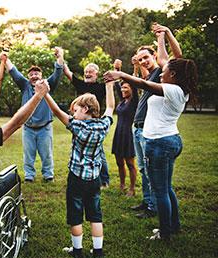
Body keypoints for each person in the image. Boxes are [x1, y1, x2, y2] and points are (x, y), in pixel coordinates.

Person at [43, 77, 115, 258]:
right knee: (95, 214)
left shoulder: (77, 125)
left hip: (76, 178)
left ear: (85, 109)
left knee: (75, 215)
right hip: (94, 178)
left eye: (75, 110)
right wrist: (109, 87)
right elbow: (110, 108)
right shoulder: (103, 125)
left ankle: (77, 251)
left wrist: (45, 94)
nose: (73, 114)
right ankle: (98, 251)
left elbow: (56, 111)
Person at [130, 23, 183, 219]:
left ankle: (157, 213)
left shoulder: (164, 75)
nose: (144, 61)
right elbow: (144, 78)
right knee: (146, 171)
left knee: (158, 181)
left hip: (156, 135)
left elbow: (172, 59)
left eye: (146, 57)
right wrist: (137, 65)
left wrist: (164, 36)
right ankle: (148, 202)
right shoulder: (158, 76)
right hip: (142, 129)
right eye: (141, 58)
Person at [4, 47, 64, 182]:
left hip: (45, 127)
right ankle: (29, 176)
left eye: (36, 73)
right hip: (28, 128)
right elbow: (14, 72)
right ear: (28, 77)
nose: (34, 76)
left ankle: (48, 175)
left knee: (46, 154)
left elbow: (58, 71)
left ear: (41, 76)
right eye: (31, 74)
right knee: (28, 155)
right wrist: (5, 59)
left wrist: (60, 56)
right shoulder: (25, 85)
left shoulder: (48, 85)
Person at [63, 61, 112, 188]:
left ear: (97, 73)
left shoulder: (101, 87)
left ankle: (104, 180)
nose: (87, 74)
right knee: (79, 148)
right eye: (85, 72)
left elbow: (110, 98)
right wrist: (61, 60)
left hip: (94, 123)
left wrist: (116, 71)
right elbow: (68, 73)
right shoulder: (81, 85)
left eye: (90, 71)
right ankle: (79, 172)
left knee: (99, 153)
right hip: (80, 123)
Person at [111, 60, 138, 196]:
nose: (122, 90)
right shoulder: (122, 101)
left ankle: (132, 188)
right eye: (122, 88)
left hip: (128, 134)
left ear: (132, 89)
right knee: (119, 162)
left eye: (126, 88)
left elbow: (134, 81)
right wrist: (116, 68)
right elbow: (117, 86)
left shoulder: (134, 101)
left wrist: (135, 66)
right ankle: (122, 185)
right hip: (118, 133)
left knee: (130, 163)